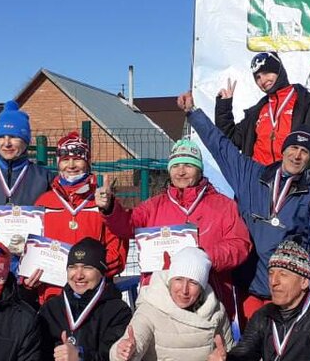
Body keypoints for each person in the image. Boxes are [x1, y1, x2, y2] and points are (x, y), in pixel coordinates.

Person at [179, 91, 310, 322]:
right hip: (249, 283)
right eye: (293, 148)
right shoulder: (251, 174)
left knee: (284, 350)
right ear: (284, 149)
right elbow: (221, 147)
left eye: (305, 151)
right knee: (252, 345)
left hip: (287, 290)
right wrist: (193, 113)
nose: (297, 155)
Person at [98, 137, 251, 320]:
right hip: (160, 299)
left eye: (188, 165)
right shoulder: (154, 206)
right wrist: (109, 208)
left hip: (208, 299)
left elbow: (240, 245)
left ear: (199, 169)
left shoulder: (224, 206)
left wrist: (205, 256)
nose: (181, 171)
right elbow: (126, 225)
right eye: (176, 165)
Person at [214, 51, 310, 166]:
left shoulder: (307, 104)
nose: (263, 80)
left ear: (279, 70)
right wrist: (224, 107)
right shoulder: (257, 111)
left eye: (267, 73)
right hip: (257, 184)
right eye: (258, 77)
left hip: (294, 187)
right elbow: (231, 140)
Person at [30, 132, 128, 303]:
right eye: (65, 159)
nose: (71, 165)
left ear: (87, 162)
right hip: (53, 292)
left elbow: (117, 248)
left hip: (94, 292)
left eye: (78, 159)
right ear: (58, 163)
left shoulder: (103, 200)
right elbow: (32, 247)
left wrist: (93, 270)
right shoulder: (44, 202)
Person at [0, 100, 55, 245]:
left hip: (26, 257)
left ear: (26, 140)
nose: (6, 143)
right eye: (1, 137)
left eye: (14, 137)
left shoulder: (43, 177)